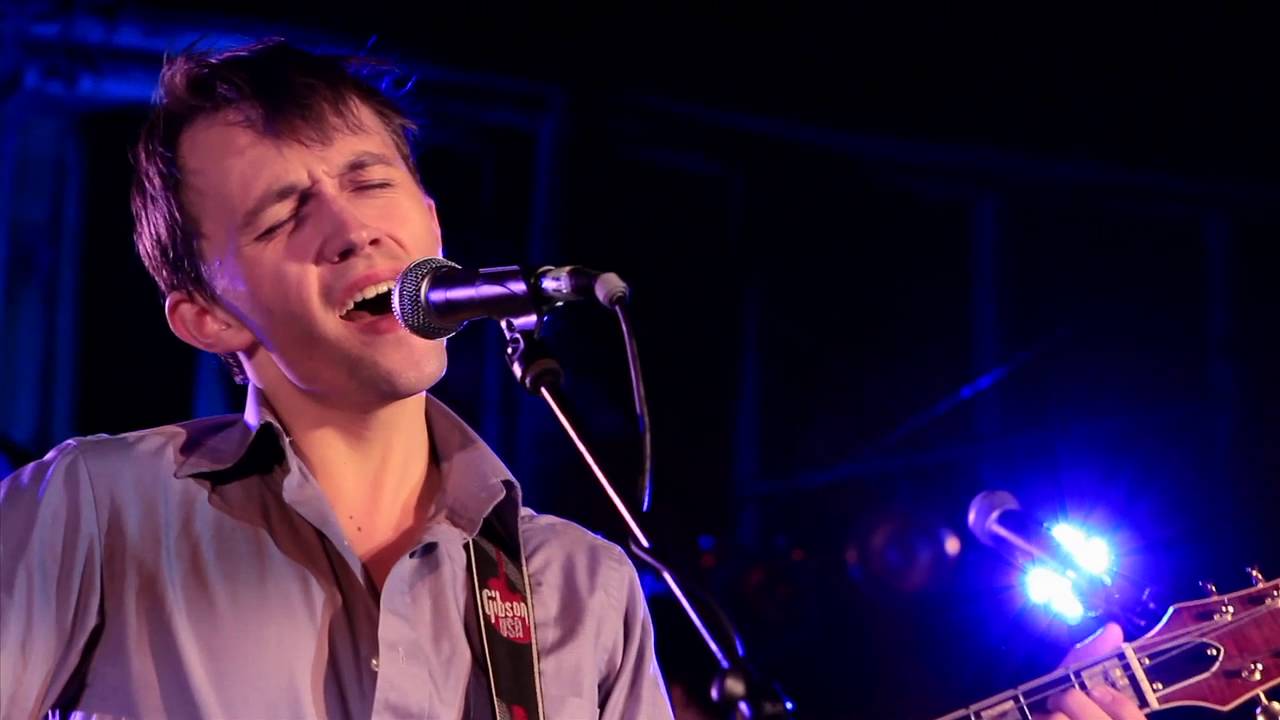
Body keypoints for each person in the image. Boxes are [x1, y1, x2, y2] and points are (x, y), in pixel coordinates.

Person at [0, 39, 673, 720]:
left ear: (433, 226)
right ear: (207, 317)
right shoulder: (96, 510)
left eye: (370, 182)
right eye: (282, 217)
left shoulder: (582, 588)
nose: (352, 230)